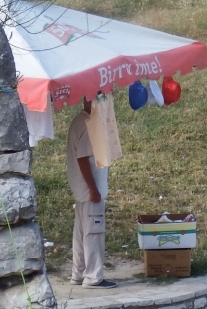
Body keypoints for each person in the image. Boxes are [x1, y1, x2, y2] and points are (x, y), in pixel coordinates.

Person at [67, 99, 117, 289]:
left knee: (80, 234)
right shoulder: (89, 124)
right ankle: (93, 277)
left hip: (82, 190)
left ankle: (78, 273)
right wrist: (94, 189)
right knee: (93, 233)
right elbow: (83, 158)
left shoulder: (78, 121)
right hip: (90, 191)